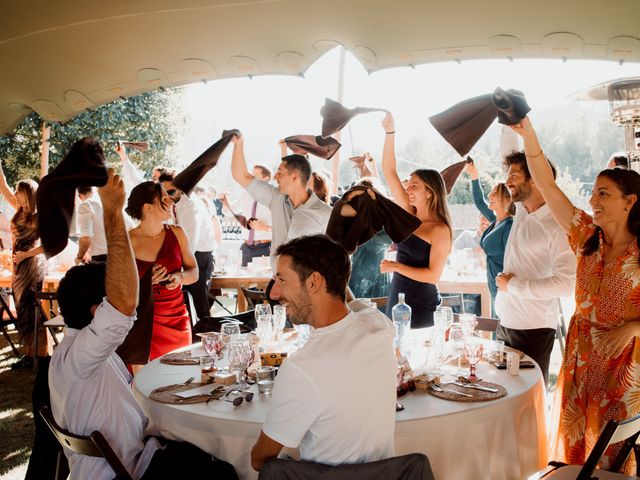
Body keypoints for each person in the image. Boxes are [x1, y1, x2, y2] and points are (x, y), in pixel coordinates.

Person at [49, 169, 238, 480]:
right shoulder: (88, 355)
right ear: (99, 310)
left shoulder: (77, 351)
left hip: (137, 447)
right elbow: (123, 308)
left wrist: (178, 278)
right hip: (129, 468)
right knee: (223, 469)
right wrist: (111, 207)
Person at [512, 117, 640, 475]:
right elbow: (547, 185)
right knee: (577, 446)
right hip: (581, 357)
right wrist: (530, 137)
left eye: (604, 193)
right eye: (594, 192)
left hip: (624, 364)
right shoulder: (585, 235)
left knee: (613, 456)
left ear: (630, 201)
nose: (592, 199)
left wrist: (632, 329)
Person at [250, 235, 396, 471]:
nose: (274, 294)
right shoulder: (379, 326)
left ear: (314, 282)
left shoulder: (302, 368)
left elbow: (259, 461)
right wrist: (335, 266)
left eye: (282, 280)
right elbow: (353, 303)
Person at [494, 147, 576, 385]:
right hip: (505, 324)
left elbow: (566, 283)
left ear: (536, 179)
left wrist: (515, 285)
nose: (507, 181)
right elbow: (508, 142)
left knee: (528, 401)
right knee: (500, 395)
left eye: (515, 176)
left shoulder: (557, 226)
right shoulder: (521, 210)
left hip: (534, 330)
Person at [379, 113, 452, 327]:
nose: (407, 190)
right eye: (408, 186)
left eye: (414, 186)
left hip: (421, 305)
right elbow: (389, 171)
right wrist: (389, 133)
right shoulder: (409, 215)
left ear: (429, 192)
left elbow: (433, 276)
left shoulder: (440, 230)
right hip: (397, 298)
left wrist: (396, 266)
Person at [230, 133, 332, 273]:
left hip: (308, 289)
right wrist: (238, 144)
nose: (275, 177)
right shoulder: (276, 198)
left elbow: (334, 260)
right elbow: (240, 176)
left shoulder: (326, 214)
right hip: (277, 283)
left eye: (280, 172)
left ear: (294, 177)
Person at [126, 181, 198, 361]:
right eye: (165, 199)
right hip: (143, 321)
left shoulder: (177, 233)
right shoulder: (126, 241)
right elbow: (116, 286)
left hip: (176, 319)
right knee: (147, 383)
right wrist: (144, 282)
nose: (172, 202)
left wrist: (179, 277)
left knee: (181, 378)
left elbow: (194, 272)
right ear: (148, 208)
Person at [0, 164, 48, 369]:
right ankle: (29, 354)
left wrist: (26, 254)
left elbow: (48, 245)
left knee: (32, 309)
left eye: (19, 192)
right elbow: (2, 186)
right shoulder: (18, 210)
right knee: (22, 309)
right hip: (18, 266)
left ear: (28, 194)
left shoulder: (38, 216)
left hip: (32, 265)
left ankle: (40, 355)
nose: (16, 195)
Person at [159, 172, 216, 321]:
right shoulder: (175, 204)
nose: (168, 197)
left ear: (181, 188)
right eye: (165, 193)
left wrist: (175, 266)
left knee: (200, 306)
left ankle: (208, 339)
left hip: (200, 257)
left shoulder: (191, 205)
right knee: (188, 306)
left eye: (171, 192)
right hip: (187, 254)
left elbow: (190, 243)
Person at [464, 162, 515, 315]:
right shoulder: (495, 221)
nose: (489, 196)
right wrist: (474, 177)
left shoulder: (509, 225)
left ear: (506, 199)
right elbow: (480, 201)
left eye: (494, 193)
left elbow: (511, 261)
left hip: (505, 288)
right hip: (494, 284)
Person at [222, 165, 273, 267]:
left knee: (264, 282)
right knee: (243, 280)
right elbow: (228, 212)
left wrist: (264, 228)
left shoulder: (274, 198)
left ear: (266, 179)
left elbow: (284, 226)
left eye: (256, 175)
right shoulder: (245, 195)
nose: (252, 178)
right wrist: (226, 204)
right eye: (251, 175)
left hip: (265, 248)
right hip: (246, 248)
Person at [75, 186, 108, 263]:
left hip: (101, 257)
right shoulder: (109, 201)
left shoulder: (86, 205)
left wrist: (79, 258)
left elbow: (85, 237)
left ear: (80, 195)